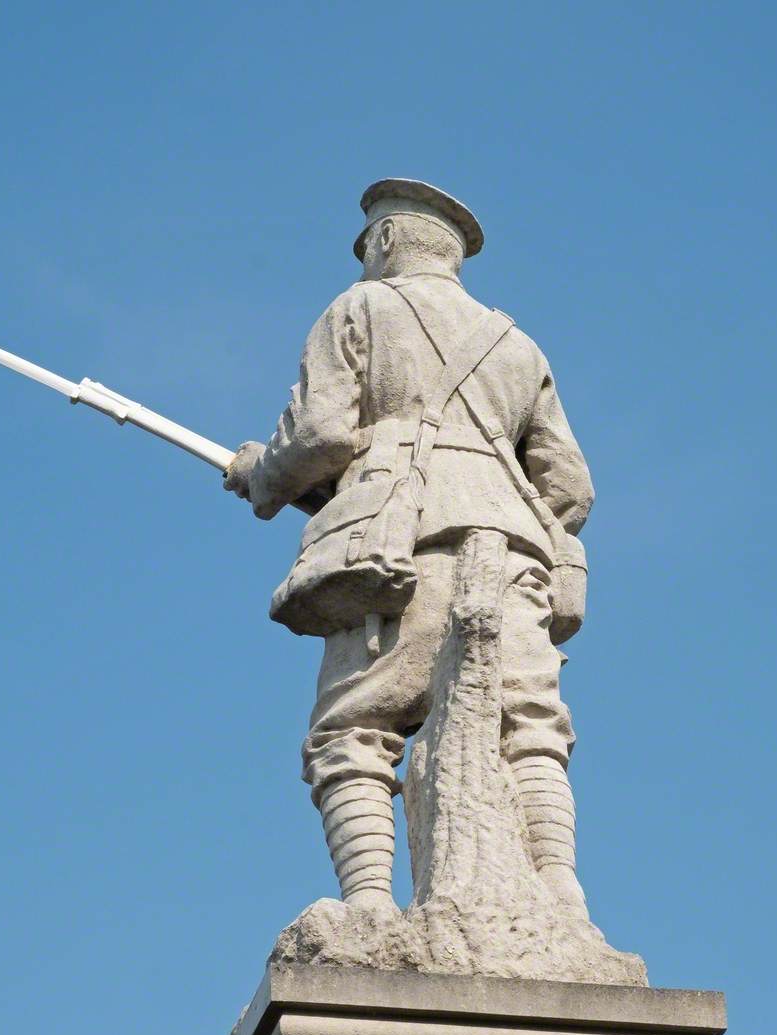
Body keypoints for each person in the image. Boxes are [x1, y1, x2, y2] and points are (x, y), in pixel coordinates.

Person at [224, 179, 594, 920]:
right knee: (529, 730)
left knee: (354, 727)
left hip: (404, 554)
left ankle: (368, 903)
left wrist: (263, 475)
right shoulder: (517, 345)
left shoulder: (360, 308)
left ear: (387, 242)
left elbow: (322, 434)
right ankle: (559, 890)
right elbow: (571, 488)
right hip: (514, 553)